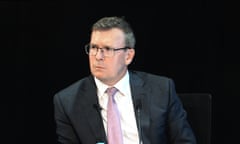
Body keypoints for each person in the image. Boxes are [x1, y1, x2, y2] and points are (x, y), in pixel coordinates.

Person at [53, 16, 197, 144]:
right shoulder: (68, 102)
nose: (98, 56)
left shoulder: (162, 89)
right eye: (94, 48)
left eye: (107, 49)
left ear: (128, 56)